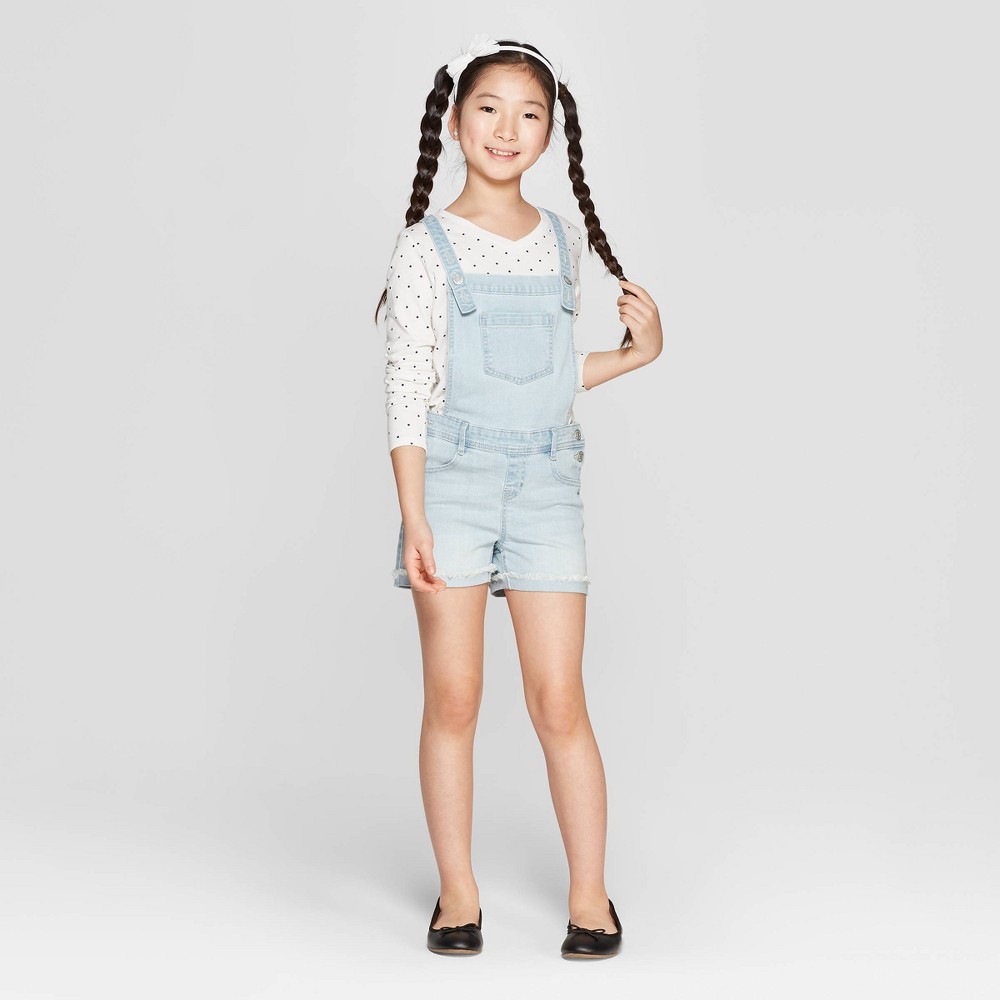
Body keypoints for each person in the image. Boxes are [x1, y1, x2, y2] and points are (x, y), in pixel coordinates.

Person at [375, 34, 663, 959]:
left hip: (545, 487)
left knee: (559, 701)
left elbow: (547, 377)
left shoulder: (561, 239)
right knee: (455, 697)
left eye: (529, 114)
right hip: (451, 488)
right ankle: (457, 893)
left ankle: (591, 897)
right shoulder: (424, 249)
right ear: (456, 122)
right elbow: (409, 390)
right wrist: (415, 517)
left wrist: (638, 355)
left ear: (550, 134)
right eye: (490, 109)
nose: (508, 128)